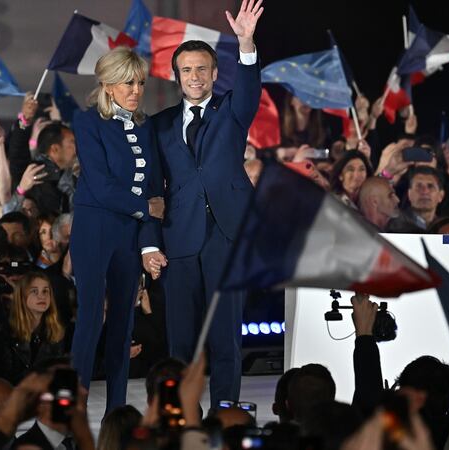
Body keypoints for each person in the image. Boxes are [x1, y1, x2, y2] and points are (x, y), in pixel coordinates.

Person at [149, 0, 263, 407]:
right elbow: (150, 188)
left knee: (226, 337)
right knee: (181, 340)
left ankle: (225, 412)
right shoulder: (159, 124)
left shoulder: (232, 110)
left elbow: (250, 88)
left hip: (227, 237)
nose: (194, 77)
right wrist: (149, 243)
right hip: (180, 239)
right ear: (176, 76)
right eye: (187, 70)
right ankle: (184, 414)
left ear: (215, 74)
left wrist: (246, 43)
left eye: (202, 69)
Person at [68, 46, 164, 412]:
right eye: (127, 82)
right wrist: (145, 207)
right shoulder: (87, 121)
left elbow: (155, 186)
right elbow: (101, 183)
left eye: (139, 82)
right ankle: (72, 417)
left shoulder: (146, 125)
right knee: (91, 321)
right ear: (108, 85)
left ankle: (117, 414)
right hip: (95, 230)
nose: (135, 89)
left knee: (124, 327)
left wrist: (147, 238)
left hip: (129, 233)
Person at [0, 271, 66, 384]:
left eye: (45, 291)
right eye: (34, 291)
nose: (42, 296)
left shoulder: (56, 331)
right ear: (22, 297)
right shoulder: (4, 331)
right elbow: (2, 376)